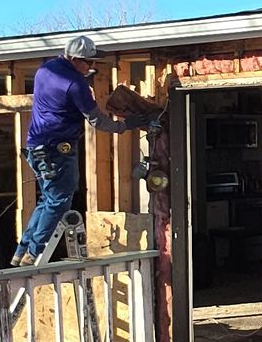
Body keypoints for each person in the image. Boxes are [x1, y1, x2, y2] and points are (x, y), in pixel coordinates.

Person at [10, 34, 158, 266]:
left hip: (36, 147)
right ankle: (33, 254)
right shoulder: (75, 85)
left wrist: (85, 77)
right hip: (57, 151)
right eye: (88, 62)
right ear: (75, 59)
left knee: (48, 199)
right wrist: (125, 125)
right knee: (59, 202)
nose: (91, 66)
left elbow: (61, 86)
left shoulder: (44, 70)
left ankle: (21, 251)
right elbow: (97, 121)